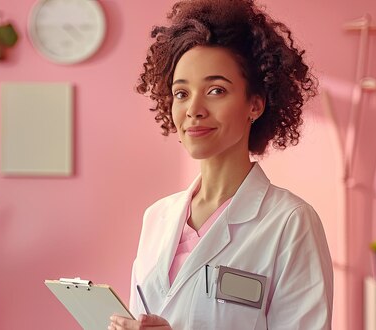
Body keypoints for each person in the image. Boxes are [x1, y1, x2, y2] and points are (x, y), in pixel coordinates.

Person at [108, 0, 333, 329]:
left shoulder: (290, 223)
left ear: (255, 104)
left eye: (215, 90)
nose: (194, 109)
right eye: (181, 93)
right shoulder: (157, 217)